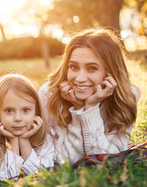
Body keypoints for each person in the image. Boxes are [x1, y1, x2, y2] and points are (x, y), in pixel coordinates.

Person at [38, 28, 139, 165]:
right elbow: (65, 159)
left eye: (92, 68)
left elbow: (105, 160)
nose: (80, 78)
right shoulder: (48, 95)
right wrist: (80, 108)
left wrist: (90, 107)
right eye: (73, 67)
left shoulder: (126, 96)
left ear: (110, 72)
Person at [0, 74, 55, 180]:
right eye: (9, 111)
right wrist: (12, 142)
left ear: (36, 111)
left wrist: (24, 141)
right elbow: (7, 179)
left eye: (25, 110)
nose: (18, 118)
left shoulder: (46, 138)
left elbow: (40, 175)